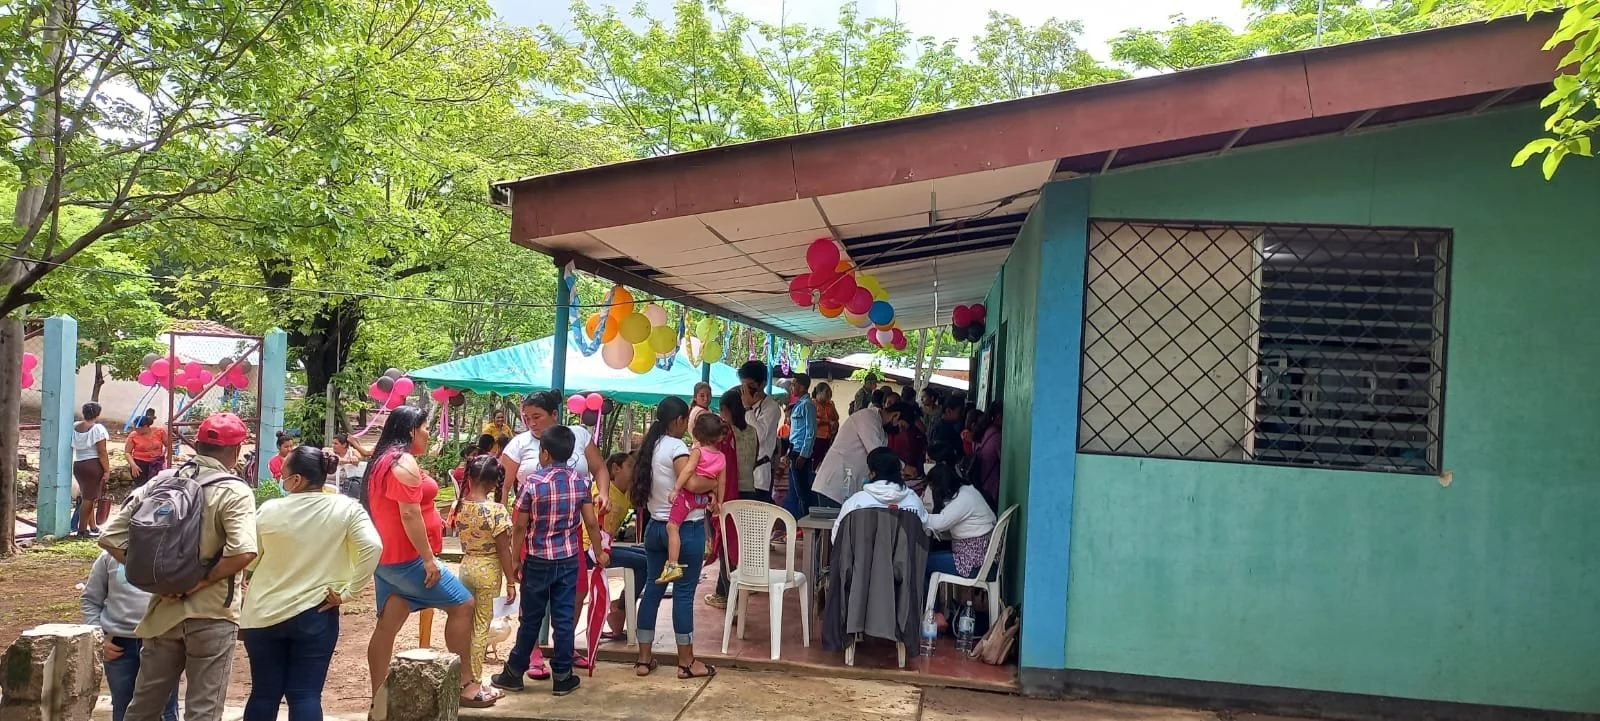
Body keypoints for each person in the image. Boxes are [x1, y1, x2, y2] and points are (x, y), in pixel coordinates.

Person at [98, 412, 258, 721]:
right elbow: (243, 552)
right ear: (237, 450)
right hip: (212, 615)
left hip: (162, 613)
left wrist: (158, 584)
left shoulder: (161, 481)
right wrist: (196, 583)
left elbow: (110, 539)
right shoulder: (235, 490)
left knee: (143, 708)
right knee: (203, 710)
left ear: (196, 444)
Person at [361, 406, 492, 708]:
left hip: (387, 558)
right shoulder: (402, 461)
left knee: (388, 623)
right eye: (425, 428)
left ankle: (378, 699)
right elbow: (409, 513)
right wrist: (428, 559)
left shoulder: (383, 461)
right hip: (408, 559)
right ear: (410, 430)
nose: (428, 433)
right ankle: (466, 685)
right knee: (463, 604)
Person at [242, 446, 382, 721]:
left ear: (297, 480)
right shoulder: (347, 508)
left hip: (262, 615)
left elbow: (250, 558)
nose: (281, 481)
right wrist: (348, 594)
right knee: (305, 694)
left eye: (283, 475)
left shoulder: (269, 510)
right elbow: (373, 546)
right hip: (316, 613)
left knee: (263, 693)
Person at [493, 426, 608, 696]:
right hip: (568, 558)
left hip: (537, 558)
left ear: (544, 454)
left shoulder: (532, 484)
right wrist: (600, 551)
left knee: (531, 618)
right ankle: (563, 675)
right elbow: (590, 522)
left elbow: (520, 526)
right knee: (564, 618)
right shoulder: (581, 483)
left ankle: (514, 672)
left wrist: (514, 559)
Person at [630, 397, 716, 680]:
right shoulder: (678, 447)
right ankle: (687, 662)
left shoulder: (651, 445)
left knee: (653, 592)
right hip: (684, 531)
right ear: (679, 420)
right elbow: (690, 483)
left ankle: (643, 659)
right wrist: (716, 481)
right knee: (682, 594)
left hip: (655, 529)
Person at [82, 551, 180, 721]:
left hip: (162, 642)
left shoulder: (170, 553)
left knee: (165, 709)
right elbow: (90, 600)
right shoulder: (108, 557)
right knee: (124, 707)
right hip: (118, 646)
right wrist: (99, 639)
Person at [453, 456, 518, 693]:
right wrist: (511, 581)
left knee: (465, 624)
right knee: (482, 627)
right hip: (489, 570)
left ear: (469, 477)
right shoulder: (496, 510)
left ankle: (461, 676)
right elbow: (503, 549)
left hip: (466, 565)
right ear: (493, 483)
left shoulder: (459, 506)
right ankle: (475, 681)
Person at [498, 391, 611, 511]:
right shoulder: (518, 444)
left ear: (554, 414)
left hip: (576, 518)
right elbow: (503, 487)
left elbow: (599, 469)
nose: (531, 423)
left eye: (536, 417)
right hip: (532, 521)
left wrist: (603, 493)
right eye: (527, 418)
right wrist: (501, 520)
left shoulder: (579, 435)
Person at [657, 413, 726, 584]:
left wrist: (676, 489)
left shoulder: (697, 452)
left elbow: (688, 471)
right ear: (718, 436)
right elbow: (721, 481)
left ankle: (672, 565)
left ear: (697, 434)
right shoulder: (722, 457)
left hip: (688, 496)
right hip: (703, 500)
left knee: (672, 526)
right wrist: (718, 501)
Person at [813, 399, 916, 507]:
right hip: (834, 486)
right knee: (833, 523)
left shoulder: (882, 430)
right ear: (895, 415)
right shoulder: (867, 417)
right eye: (901, 426)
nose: (899, 431)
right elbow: (877, 454)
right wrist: (903, 467)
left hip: (847, 487)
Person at [706, 389, 755, 609]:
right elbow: (753, 459)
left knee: (728, 545)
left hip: (730, 492)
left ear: (725, 410)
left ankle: (730, 594)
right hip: (750, 490)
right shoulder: (752, 431)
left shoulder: (723, 433)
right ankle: (724, 591)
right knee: (738, 545)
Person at [921, 460, 997, 587]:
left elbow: (940, 523)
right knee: (930, 556)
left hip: (973, 564)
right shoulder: (966, 491)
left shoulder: (963, 499)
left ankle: (931, 606)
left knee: (923, 562)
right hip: (979, 558)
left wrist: (917, 513)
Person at [831, 447, 928, 541]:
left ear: (872, 474)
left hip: (863, 557)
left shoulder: (855, 502)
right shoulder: (914, 501)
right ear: (900, 472)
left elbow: (837, 538)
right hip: (904, 558)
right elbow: (924, 533)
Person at [600, 452, 648, 641]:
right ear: (615, 469)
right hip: (594, 550)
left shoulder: (625, 493)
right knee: (644, 562)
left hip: (607, 546)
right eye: (630, 467)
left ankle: (620, 607)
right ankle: (620, 609)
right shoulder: (605, 492)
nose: (634, 471)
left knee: (646, 554)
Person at [738, 361, 783, 504]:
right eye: (743, 386)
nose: (746, 390)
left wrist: (747, 408)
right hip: (740, 474)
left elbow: (759, 437)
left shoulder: (772, 407)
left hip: (759, 477)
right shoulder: (739, 401)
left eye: (750, 386)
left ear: (762, 384)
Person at [72, 402, 110, 537]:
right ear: (98, 414)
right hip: (93, 465)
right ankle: (82, 530)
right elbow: (102, 451)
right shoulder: (98, 429)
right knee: (88, 499)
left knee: (88, 496)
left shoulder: (75, 426)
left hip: (78, 464)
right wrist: (107, 470)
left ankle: (92, 526)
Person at [783, 374, 817, 519]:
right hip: (793, 449)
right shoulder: (799, 404)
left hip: (800, 452)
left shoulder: (807, 405)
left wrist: (804, 454)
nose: (792, 387)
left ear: (802, 387)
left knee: (801, 490)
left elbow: (811, 431)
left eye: (794, 384)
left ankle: (805, 521)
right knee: (796, 489)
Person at [124, 415, 170, 489]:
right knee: (142, 488)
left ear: (145, 426)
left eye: (138, 428)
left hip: (156, 463)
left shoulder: (159, 431)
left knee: (156, 487)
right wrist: (133, 465)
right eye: (134, 427)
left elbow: (169, 445)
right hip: (140, 465)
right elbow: (127, 452)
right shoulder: (133, 435)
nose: (136, 430)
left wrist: (165, 456)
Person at [971, 402, 1003, 507]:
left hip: (978, 483)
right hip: (990, 485)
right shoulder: (997, 436)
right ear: (998, 416)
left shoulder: (980, 431)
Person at [929, 397, 966, 465]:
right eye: (959, 412)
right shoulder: (941, 429)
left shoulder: (945, 425)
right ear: (948, 411)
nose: (962, 415)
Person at [812, 382, 839, 464]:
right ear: (819, 392)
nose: (829, 394)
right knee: (816, 463)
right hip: (816, 438)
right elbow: (812, 421)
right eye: (826, 392)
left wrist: (835, 425)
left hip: (828, 438)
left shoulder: (830, 404)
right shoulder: (813, 404)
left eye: (830, 392)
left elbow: (836, 418)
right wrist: (828, 422)